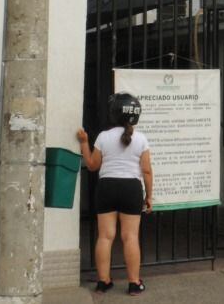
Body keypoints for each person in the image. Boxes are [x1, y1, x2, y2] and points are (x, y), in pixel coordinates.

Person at [77, 92, 154, 296]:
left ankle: (103, 282)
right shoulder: (141, 139)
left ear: (113, 113)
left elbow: (92, 166)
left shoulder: (103, 136)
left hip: (106, 187)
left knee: (105, 236)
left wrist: (84, 142)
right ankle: (134, 283)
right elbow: (146, 170)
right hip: (131, 188)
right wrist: (149, 196)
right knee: (130, 237)